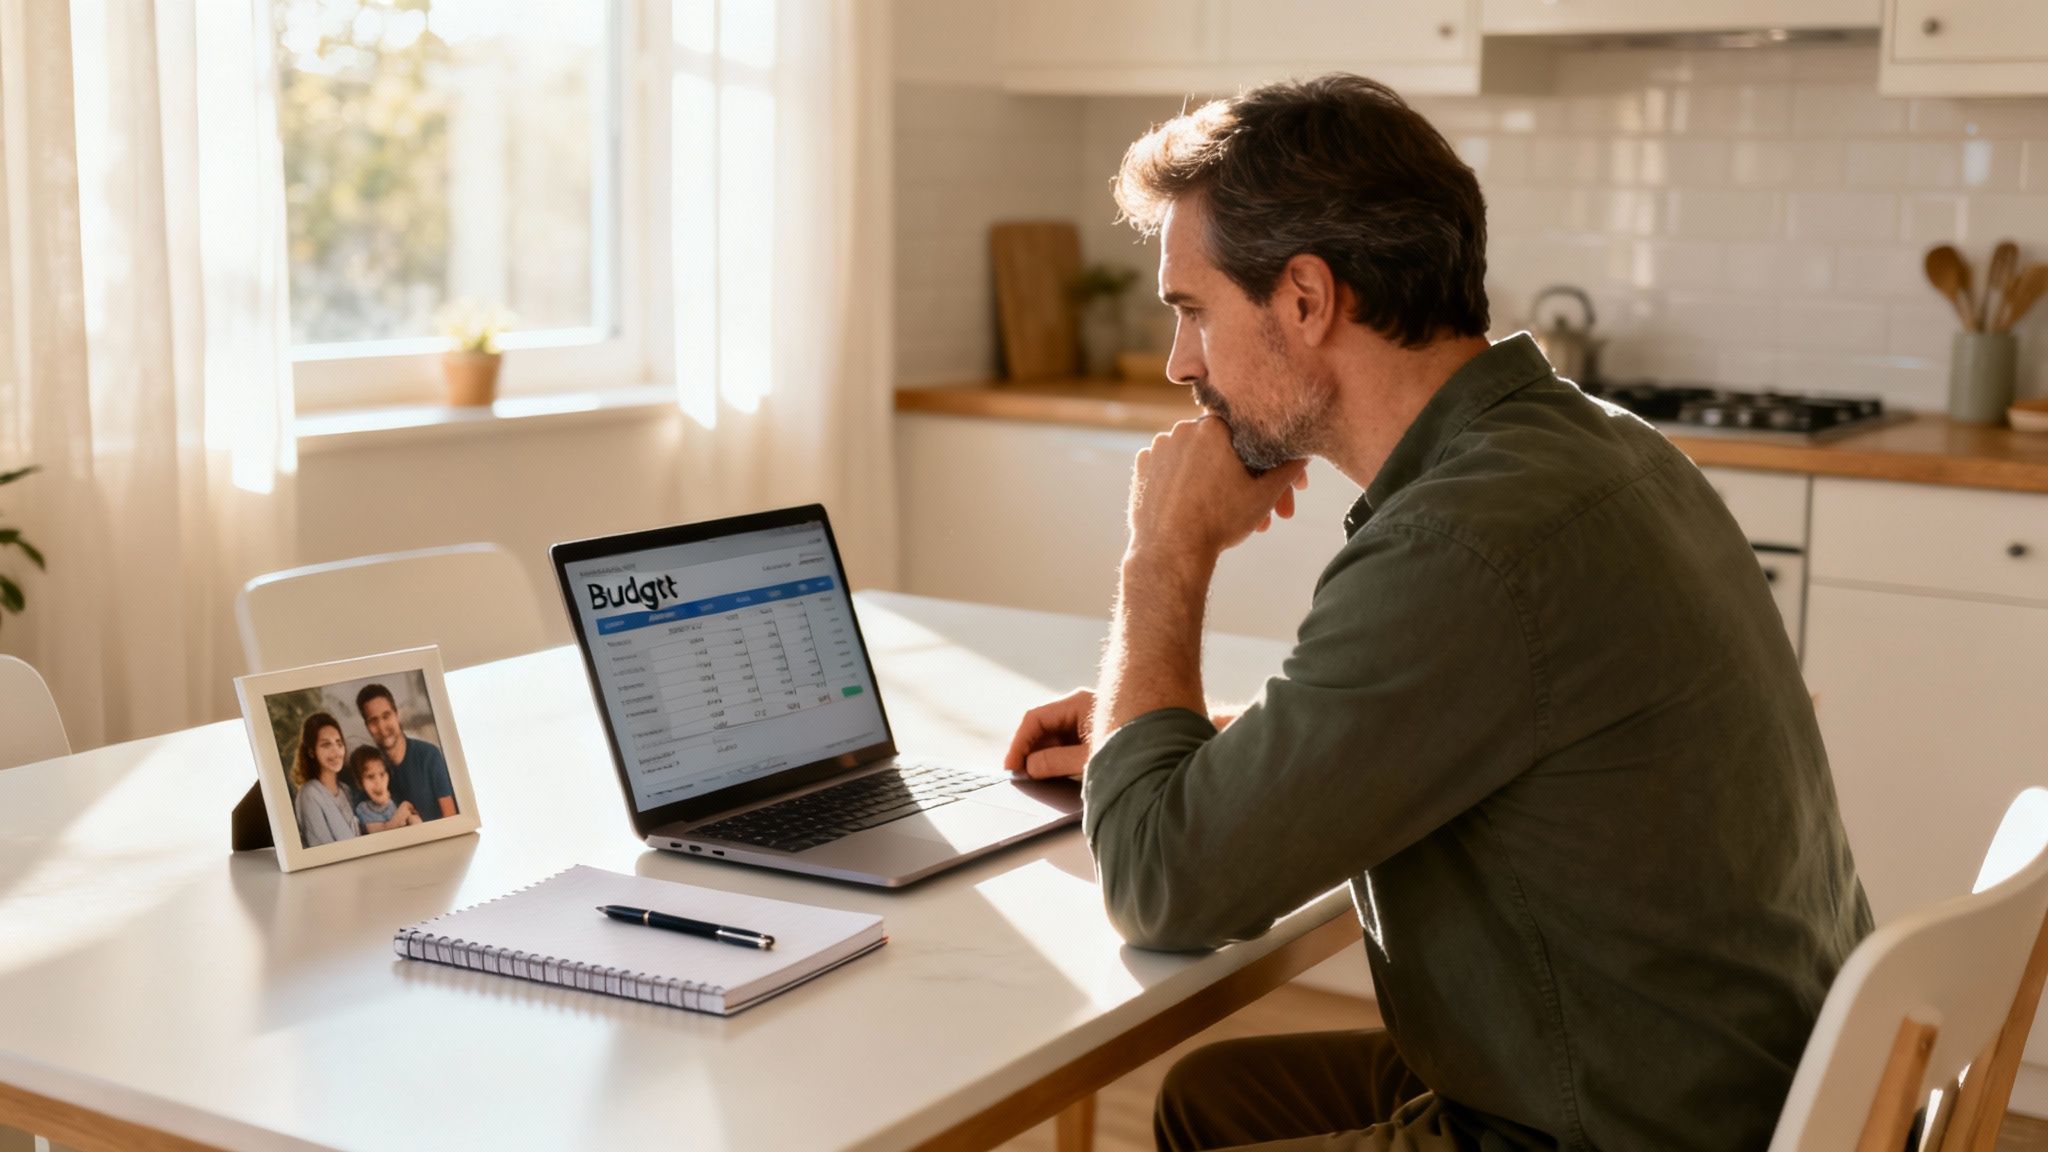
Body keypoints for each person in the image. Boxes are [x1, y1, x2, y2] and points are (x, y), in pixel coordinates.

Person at [1003, 74, 1871, 1152]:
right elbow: (1509, 723)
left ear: (1306, 299)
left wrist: (1162, 556)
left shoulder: (1458, 543)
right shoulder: (1598, 445)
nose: (1182, 363)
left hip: (1612, 1126)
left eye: (1192, 311)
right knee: (1210, 1100)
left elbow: (1159, 883)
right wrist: (1220, 747)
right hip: (1745, 1079)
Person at [356, 683, 456, 821]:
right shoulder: (370, 772)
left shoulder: (429, 755)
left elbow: (451, 817)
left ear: (397, 714)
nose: (381, 727)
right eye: (373, 721)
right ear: (367, 726)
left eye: (386, 716)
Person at [291, 712, 361, 847]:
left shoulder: (346, 791)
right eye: (326, 745)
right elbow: (322, 849)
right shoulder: (309, 794)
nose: (336, 752)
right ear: (312, 751)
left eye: (339, 743)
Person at [346, 745, 422, 834]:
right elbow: (379, 833)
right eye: (370, 777)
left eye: (382, 774)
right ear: (360, 782)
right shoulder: (363, 808)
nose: (378, 782)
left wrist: (412, 819)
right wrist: (400, 815)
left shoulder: (394, 799)